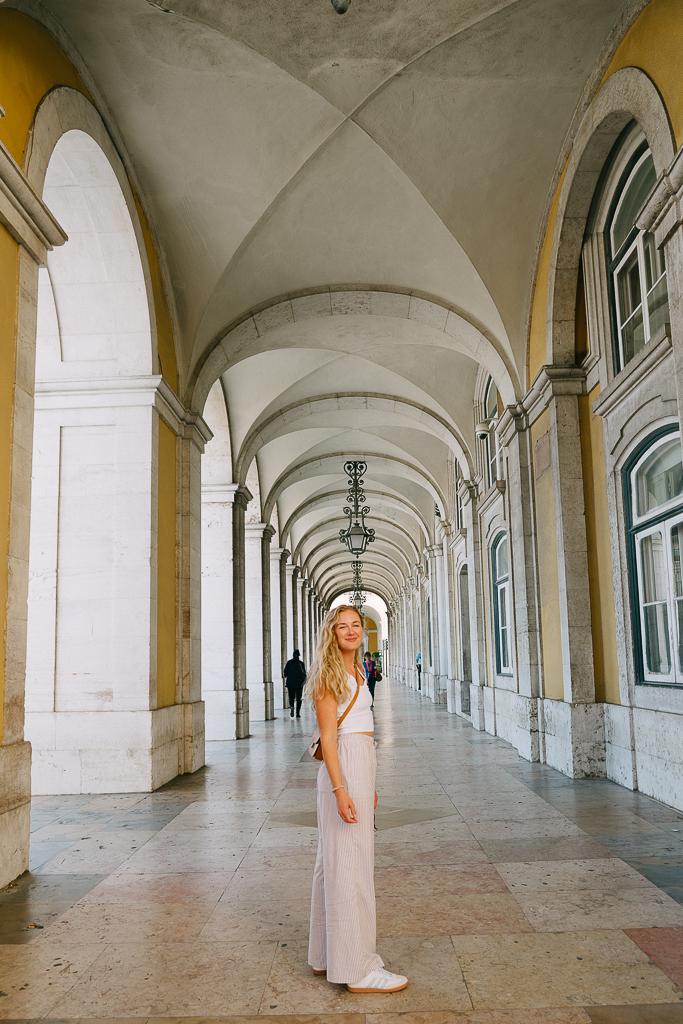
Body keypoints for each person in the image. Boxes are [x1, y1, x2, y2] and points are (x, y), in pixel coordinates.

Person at [306, 605, 408, 994]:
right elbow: (330, 739)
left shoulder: (358, 671)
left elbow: (360, 728)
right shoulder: (329, 675)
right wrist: (341, 789)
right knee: (351, 867)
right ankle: (359, 968)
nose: (350, 631)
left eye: (355, 625)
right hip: (344, 768)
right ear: (331, 633)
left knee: (330, 863)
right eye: (342, 626)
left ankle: (326, 954)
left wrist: (368, 781)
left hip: (358, 765)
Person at [283, 648, 306, 718]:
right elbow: (304, 673)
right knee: (299, 698)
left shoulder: (289, 663)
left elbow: (285, 673)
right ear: (299, 655)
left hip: (290, 683)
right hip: (299, 684)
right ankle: (298, 713)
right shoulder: (301, 664)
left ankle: (292, 707)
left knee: (291, 697)